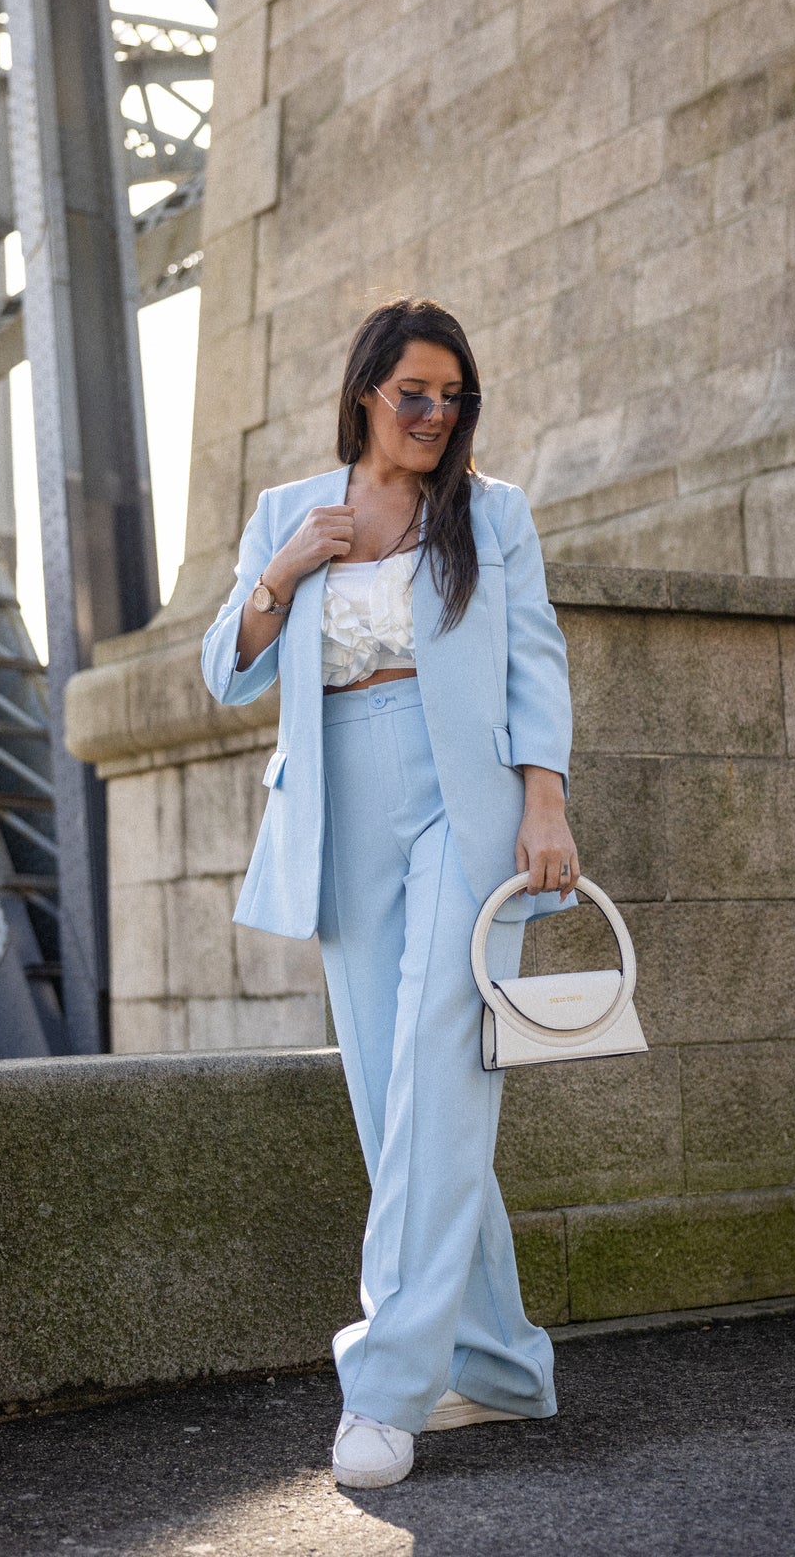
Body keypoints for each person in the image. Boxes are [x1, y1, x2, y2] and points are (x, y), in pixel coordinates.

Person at [200, 297, 580, 1490]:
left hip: (464, 799)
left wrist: (546, 799)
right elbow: (224, 671)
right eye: (412, 393)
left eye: (451, 396)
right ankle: (503, 1366)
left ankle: (387, 1387)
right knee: (392, 1098)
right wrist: (285, 570)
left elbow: (533, 659)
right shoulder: (288, 512)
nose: (433, 414)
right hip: (339, 811)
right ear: (367, 389)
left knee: (441, 1063)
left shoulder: (492, 513)